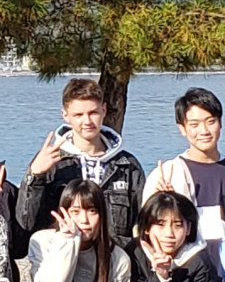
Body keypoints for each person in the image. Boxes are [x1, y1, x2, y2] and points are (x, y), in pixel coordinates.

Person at [12, 78, 144, 251]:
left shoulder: (127, 165)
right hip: (64, 258)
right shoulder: (51, 162)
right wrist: (34, 176)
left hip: (114, 260)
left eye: (93, 113)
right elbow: (27, 222)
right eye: (78, 115)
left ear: (104, 110)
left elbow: (143, 221)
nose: (87, 121)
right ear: (65, 116)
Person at [141, 87, 225, 263]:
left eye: (210, 121)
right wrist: (168, 202)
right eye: (194, 125)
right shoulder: (166, 174)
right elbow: (146, 232)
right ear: (182, 128)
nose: (204, 131)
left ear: (220, 123)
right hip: (185, 271)